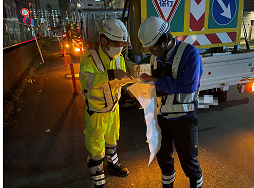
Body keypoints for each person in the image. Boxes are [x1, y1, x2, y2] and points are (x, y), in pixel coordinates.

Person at [138, 16, 203, 188]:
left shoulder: (190, 53)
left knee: (189, 161)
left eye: (154, 47)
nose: (152, 51)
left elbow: (188, 85)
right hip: (162, 119)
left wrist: (155, 81)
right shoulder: (154, 57)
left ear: (165, 40)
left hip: (184, 119)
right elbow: (157, 83)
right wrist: (146, 83)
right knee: (164, 160)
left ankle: (195, 184)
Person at [79, 18, 132, 188]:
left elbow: (119, 80)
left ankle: (113, 164)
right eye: (117, 43)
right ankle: (98, 176)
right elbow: (86, 81)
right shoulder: (88, 58)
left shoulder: (119, 58)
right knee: (96, 147)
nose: (120, 48)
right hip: (97, 114)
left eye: (122, 44)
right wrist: (110, 74)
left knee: (112, 140)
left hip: (113, 110)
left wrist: (132, 82)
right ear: (103, 40)